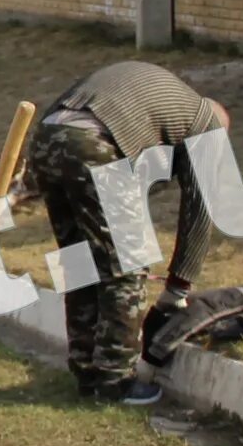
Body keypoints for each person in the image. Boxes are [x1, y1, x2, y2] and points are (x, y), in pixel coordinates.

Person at [26, 59, 228, 406]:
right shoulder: (206, 126)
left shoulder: (168, 103)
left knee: (81, 262)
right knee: (127, 265)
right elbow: (198, 211)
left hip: (47, 137)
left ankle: (86, 369)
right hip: (93, 142)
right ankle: (115, 382)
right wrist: (178, 286)